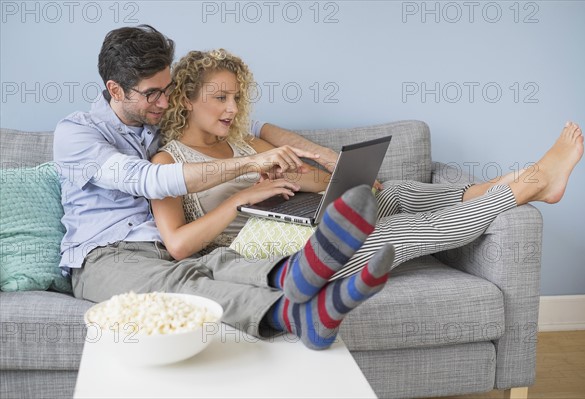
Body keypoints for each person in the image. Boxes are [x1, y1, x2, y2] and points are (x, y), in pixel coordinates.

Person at [53, 24, 397, 350]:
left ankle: (299, 271)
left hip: (161, 250)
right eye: (152, 93)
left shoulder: (153, 119)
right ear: (116, 90)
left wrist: (325, 156)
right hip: (104, 258)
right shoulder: (77, 135)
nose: (164, 102)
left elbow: (254, 127)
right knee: (187, 286)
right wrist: (248, 165)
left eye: (168, 89)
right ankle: (299, 315)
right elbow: (149, 180)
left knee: (220, 261)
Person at [151, 48, 585, 282]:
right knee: (393, 234)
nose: (231, 108)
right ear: (188, 99)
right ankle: (522, 187)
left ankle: (515, 182)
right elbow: (178, 245)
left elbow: (317, 182)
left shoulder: (246, 142)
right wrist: (246, 195)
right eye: (219, 97)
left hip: (300, 224)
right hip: (265, 256)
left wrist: (309, 177)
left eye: (236, 98)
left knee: (392, 192)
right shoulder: (168, 160)